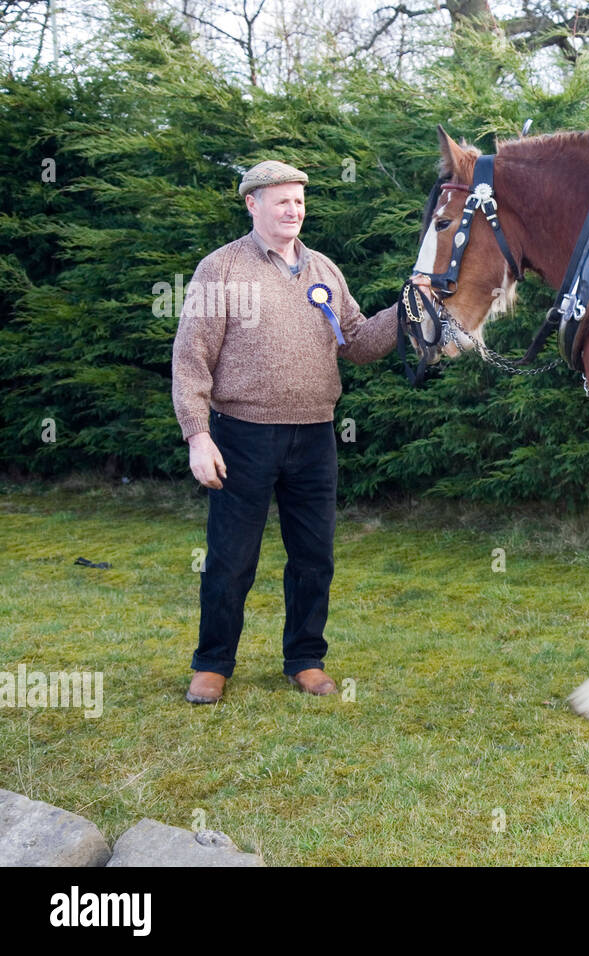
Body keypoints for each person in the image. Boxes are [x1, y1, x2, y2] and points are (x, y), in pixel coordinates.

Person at [172, 159, 399, 704]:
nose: (293, 210)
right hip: (241, 436)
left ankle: (305, 658)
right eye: (282, 201)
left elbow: (360, 342)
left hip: (315, 436)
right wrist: (197, 435)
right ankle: (212, 663)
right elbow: (190, 358)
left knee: (314, 557)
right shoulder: (220, 268)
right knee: (231, 557)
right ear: (252, 205)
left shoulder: (324, 269)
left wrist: (406, 311)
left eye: (299, 201)